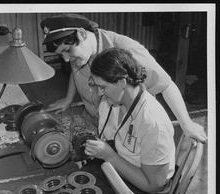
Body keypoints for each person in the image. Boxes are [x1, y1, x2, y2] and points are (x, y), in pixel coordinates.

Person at [40, 13, 207, 144]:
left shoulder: (126, 52)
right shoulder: (80, 54)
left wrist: (186, 124)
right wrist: (68, 99)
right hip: (93, 123)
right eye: (61, 54)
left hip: (125, 134)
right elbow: (75, 71)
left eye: (67, 50)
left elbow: (165, 84)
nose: (66, 60)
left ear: (82, 34)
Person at [83, 48, 175, 194]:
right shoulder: (121, 103)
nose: (101, 93)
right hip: (125, 170)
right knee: (77, 184)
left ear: (122, 82)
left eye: (103, 87)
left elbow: (153, 185)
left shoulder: (152, 123)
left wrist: (109, 155)